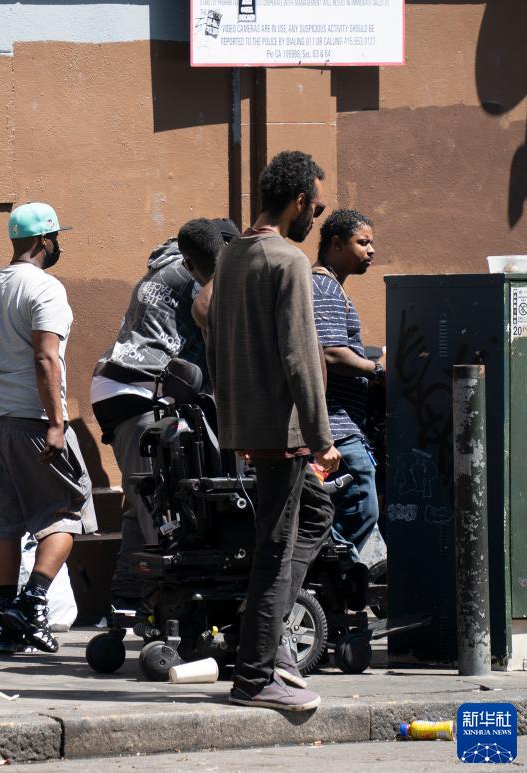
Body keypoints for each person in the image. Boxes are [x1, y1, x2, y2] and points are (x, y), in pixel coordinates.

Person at [207, 150, 340, 711]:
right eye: (318, 207)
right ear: (300, 202)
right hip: (282, 430)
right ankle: (256, 674)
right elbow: (301, 356)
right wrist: (322, 437)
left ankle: (268, 632)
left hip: (247, 421)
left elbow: (213, 339)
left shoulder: (231, 255)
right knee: (274, 549)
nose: (317, 217)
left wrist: (231, 418)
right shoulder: (288, 260)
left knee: (314, 512)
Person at [0, 202, 98, 655]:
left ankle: (6, 626)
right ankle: (32, 602)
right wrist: (57, 424)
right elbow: (46, 358)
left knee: (3, 527)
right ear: (44, 239)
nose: (57, 244)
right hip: (34, 420)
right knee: (66, 513)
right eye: (56, 237)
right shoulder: (45, 288)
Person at [91, 217, 238, 611]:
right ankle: (161, 605)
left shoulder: (168, 265)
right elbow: (210, 315)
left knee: (143, 498)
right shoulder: (200, 277)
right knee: (165, 508)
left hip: (120, 385)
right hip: (145, 386)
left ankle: (127, 601)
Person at [312, 209, 384, 561]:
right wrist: (377, 369)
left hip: (339, 423)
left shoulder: (329, 287)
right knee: (362, 505)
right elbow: (331, 353)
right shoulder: (325, 287)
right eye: (363, 242)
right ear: (336, 244)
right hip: (337, 426)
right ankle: (319, 569)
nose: (371, 250)